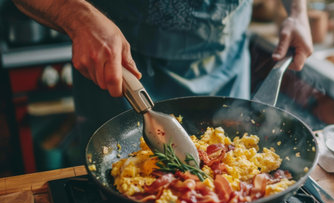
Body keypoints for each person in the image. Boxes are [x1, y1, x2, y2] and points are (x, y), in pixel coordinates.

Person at [12, 0, 313, 152]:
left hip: (226, 61)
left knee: (234, 156)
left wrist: (298, 11)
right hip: (120, 63)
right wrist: (78, 17)